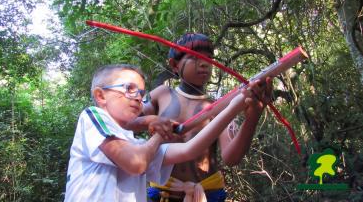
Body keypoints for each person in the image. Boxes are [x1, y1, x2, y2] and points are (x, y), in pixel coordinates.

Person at [64, 64, 267, 202]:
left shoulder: (136, 144)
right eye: (129, 88)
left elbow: (190, 149)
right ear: (100, 95)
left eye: (141, 93)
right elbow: (136, 163)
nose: (137, 97)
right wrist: (159, 134)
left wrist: (237, 105)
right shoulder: (93, 116)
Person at [129, 33, 273, 202]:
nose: (205, 63)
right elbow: (130, 121)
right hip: (164, 193)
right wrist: (149, 120)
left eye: (209, 58)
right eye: (194, 57)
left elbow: (231, 158)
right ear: (174, 65)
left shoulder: (222, 106)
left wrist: (254, 114)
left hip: (208, 194)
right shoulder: (162, 94)